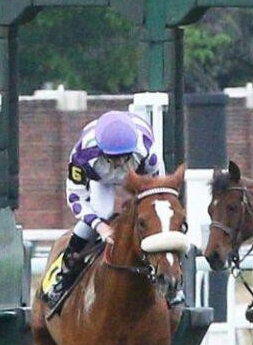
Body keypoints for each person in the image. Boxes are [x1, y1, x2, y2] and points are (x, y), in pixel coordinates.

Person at [44, 108, 168, 314]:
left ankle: (174, 285)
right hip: (100, 179)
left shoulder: (148, 153)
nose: (119, 163)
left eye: (123, 157)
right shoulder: (82, 156)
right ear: (101, 151)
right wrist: (99, 226)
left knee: (155, 220)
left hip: (139, 176)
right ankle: (64, 275)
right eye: (113, 157)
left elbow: (159, 195)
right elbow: (76, 198)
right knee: (102, 211)